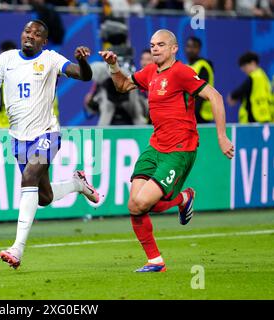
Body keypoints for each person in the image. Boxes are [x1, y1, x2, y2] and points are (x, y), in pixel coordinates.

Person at [99, 29, 234, 272]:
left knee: (142, 203)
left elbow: (215, 97)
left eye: (161, 44)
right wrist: (113, 66)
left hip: (179, 149)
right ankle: (155, 260)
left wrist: (221, 136)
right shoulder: (150, 71)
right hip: (156, 146)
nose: (155, 48)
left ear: (173, 49)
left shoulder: (182, 72)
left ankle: (183, 198)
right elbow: (122, 86)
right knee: (134, 204)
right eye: (152, 44)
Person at [0, 20, 99, 269]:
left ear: (44, 41)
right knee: (44, 197)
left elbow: (83, 76)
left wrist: (82, 61)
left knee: (28, 178)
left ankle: (17, 249)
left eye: (37, 33)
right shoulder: (6, 59)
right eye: (27, 31)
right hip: (18, 139)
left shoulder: (51, 59)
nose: (30, 35)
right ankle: (76, 184)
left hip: (47, 134)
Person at [227, 52, 273, 123]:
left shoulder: (254, 77)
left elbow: (240, 91)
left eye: (245, 67)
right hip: (265, 115)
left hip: (254, 117)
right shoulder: (264, 76)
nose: (244, 70)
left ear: (253, 63)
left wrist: (232, 97)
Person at [185, 36, 215, 123]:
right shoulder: (186, 66)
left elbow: (201, 91)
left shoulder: (203, 66)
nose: (190, 50)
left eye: (194, 47)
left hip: (201, 114)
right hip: (189, 111)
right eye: (188, 46)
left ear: (199, 49)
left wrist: (193, 113)